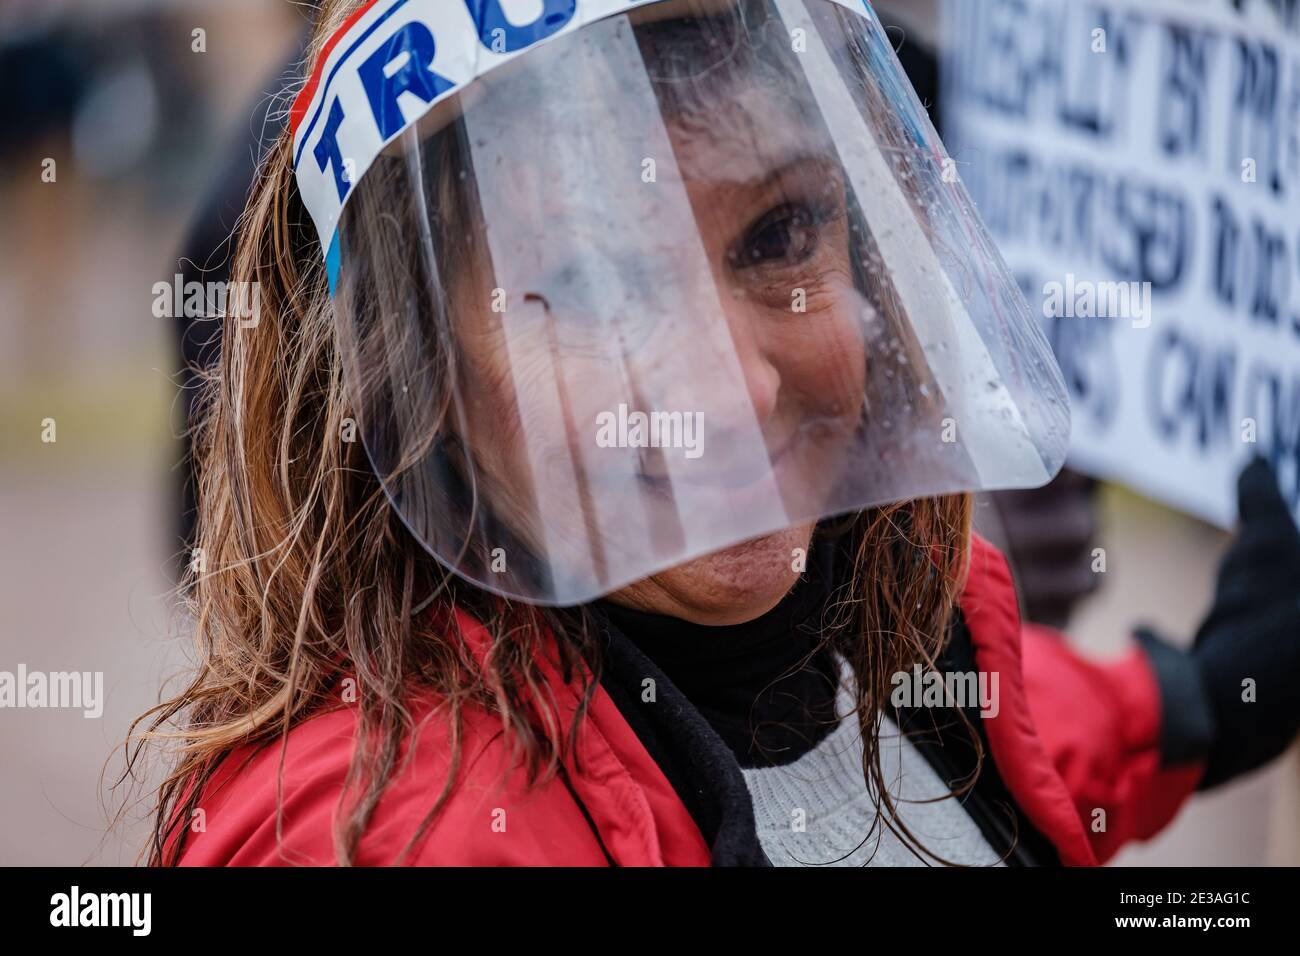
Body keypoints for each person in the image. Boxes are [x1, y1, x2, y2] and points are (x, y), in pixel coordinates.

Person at [132, 0, 1300, 867]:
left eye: (781, 233)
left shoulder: (897, 642)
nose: (731, 388)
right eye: (583, 285)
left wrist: (1208, 689)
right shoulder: (377, 832)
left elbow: (1001, 733)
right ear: (417, 378)